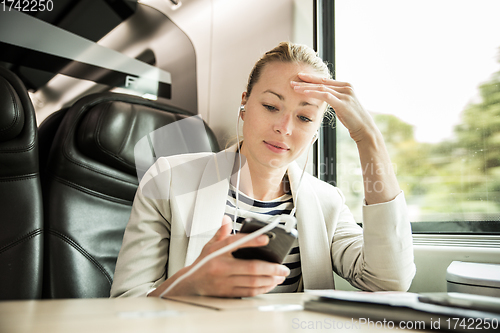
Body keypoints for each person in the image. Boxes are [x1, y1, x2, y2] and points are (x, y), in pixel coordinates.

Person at [110, 42, 415, 298]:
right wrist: (189, 285)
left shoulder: (327, 202)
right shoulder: (169, 180)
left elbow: (388, 283)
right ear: (245, 104)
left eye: (305, 118)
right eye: (271, 106)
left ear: (316, 133)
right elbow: (125, 305)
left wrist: (368, 138)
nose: (284, 128)